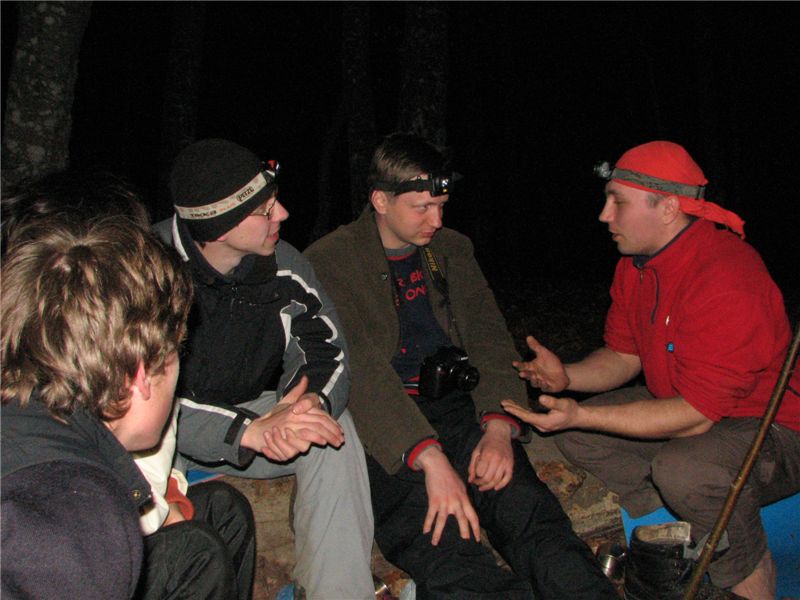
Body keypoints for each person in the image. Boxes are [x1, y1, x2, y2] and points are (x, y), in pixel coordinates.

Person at [304, 132, 617, 599]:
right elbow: (361, 374)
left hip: (458, 407)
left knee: (531, 517)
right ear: (380, 201)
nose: (437, 220)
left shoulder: (451, 249)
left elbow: (489, 339)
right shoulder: (331, 260)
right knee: (446, 547)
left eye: (442, 206)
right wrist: (428, 457)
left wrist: (498, 426)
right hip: (384, 426)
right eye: (422, 208)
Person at [502, 140, 800, 599]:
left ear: (668, 207)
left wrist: (582, 411)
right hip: (692, 408)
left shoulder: (725, 276)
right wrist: (569, 379)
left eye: (617, 202)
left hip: (774, 427)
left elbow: (695, 417)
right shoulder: (637, 267)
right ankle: (678, 541)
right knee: (580, 438)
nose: (604, 215)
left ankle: (745, 567)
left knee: (685, 471)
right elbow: (624, 357)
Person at [1, 172, 257, 600]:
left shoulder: (37, 402)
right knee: (198, 552)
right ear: (139, 375)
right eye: (176, 354)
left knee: (223, 511)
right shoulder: (78, 522)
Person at [156, 138, 374, 600]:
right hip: (158, 435)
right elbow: (134, 400)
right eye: (265, 210)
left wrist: (309, 402)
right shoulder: (145, 270)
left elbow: (326, 348)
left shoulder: (282, 265)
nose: (283, 215)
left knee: (329, 432)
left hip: (248, 414)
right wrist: (245, 432)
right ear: (217, 227)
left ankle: (336, 592)